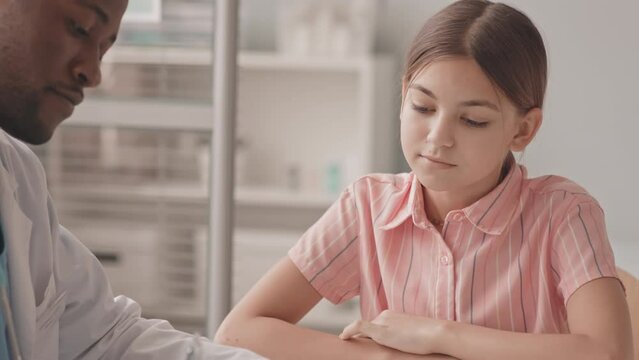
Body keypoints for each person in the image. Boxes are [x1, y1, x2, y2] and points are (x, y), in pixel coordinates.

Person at [215, 1, 634, 359]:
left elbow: (607, 351)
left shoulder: (565, 212)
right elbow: (239, 330)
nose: (438, 138)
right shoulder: (367, 205)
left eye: (472, 120)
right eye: (422, 107)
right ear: (403, 97)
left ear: (523, 130)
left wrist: (438, 336)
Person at [0, 0, 264, 358]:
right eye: (80, 27)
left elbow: (103, 339)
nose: (93, 74)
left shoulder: (18, 180)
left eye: (105, 47)